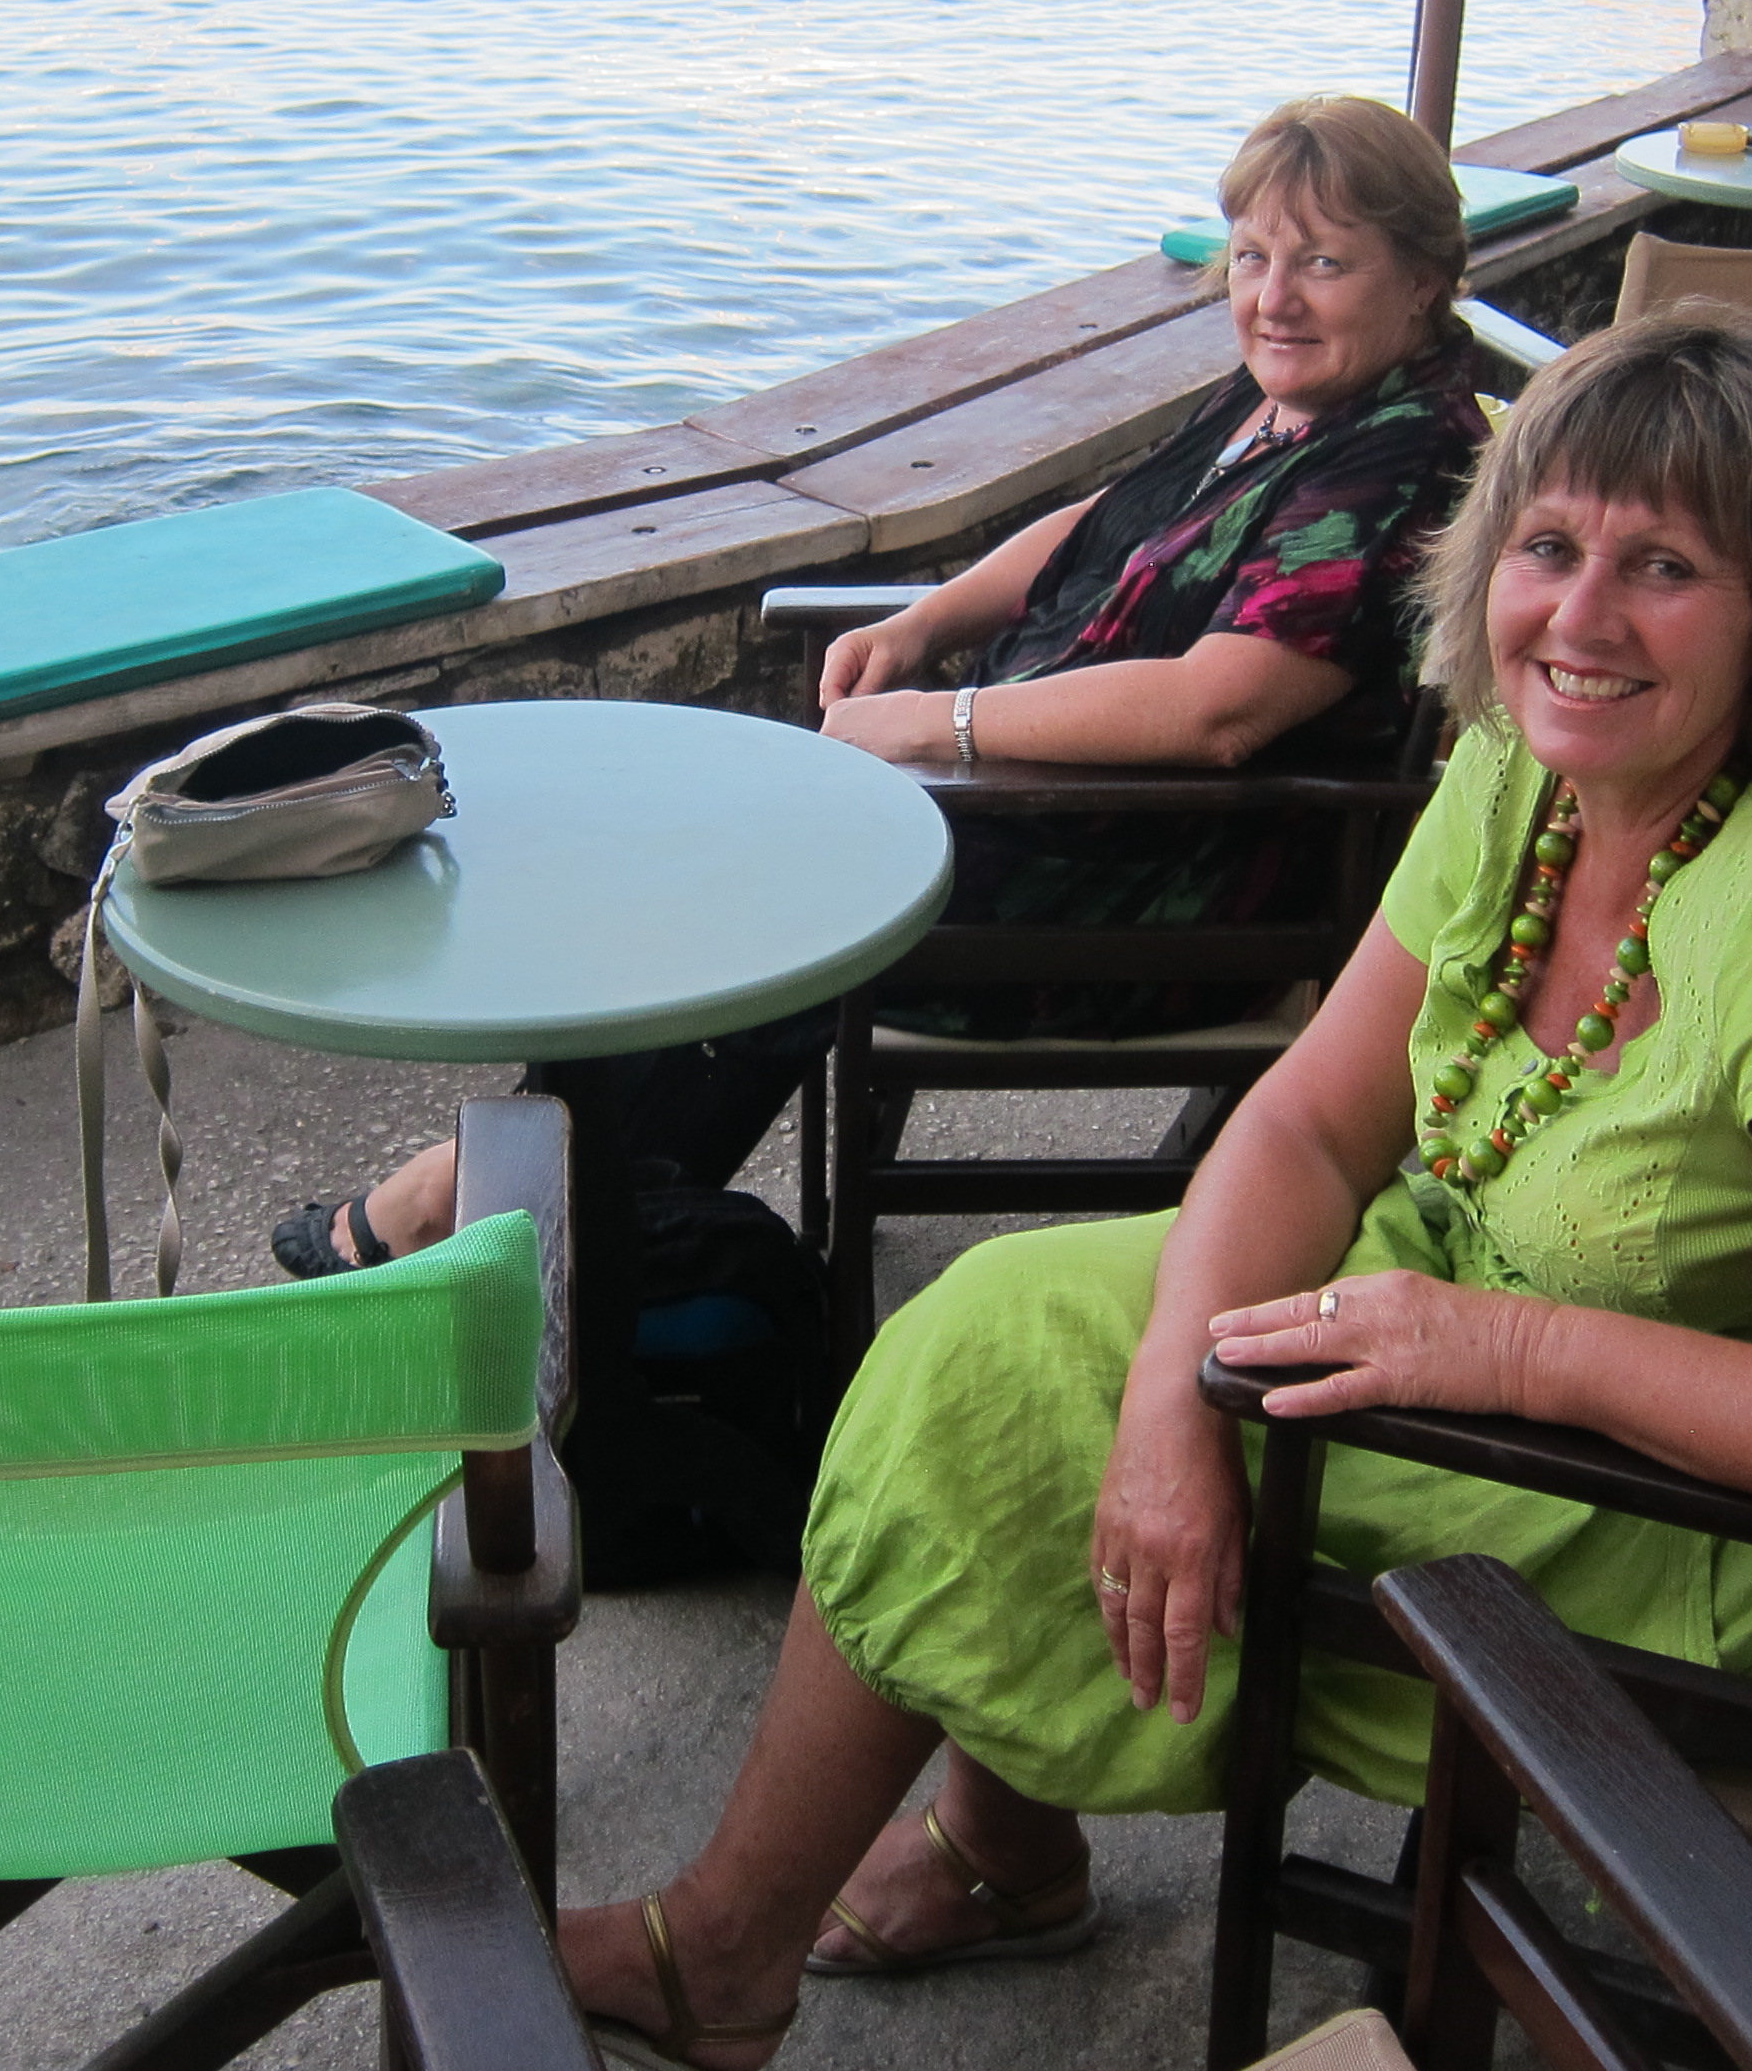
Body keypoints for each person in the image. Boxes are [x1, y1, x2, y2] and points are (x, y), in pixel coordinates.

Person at [547, 309, 1752, 2071]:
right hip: (1480, 1310)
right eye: (1548, 546)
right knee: (997, 1338)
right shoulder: (1529, 771)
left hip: (1730, 1535)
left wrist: (1511, 1352)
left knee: (1017, 1410)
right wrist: (1169, 1396)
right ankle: (981, 1855)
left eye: (1666, 568)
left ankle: (738, 1952)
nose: (1582, 618)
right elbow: (1305, 1119)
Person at [272, 93, 1495, 1278]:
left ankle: (509, 1222)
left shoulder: (1399, 460)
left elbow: (1221, 710)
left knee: (757, 908)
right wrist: (927, 620)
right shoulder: (1293, 400)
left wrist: (935, 723)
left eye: (1323, 263)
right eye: (1252, 257)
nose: (1272, 298)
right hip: (1045, 820)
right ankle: (554, 1222)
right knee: (712, 861)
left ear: (1423, 278)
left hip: (1150, 886)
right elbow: (1102, 522)